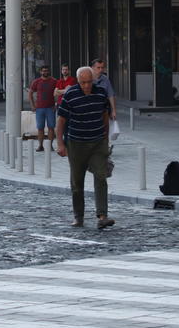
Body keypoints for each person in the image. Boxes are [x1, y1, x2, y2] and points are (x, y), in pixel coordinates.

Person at [56, 66, 115, 230]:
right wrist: (60, 144)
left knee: (101, 176)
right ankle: (78, 216)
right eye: (83, 83)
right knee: (77, 182)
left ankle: (102, 215)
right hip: (76, 143)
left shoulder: (101, 92)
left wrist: (105, 138)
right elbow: (60, 121)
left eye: (89, 82)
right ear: (78, 81)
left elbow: (105, 115)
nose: (87, 86)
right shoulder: (70, 95)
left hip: (97, 142)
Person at [28, 65, 57, 152]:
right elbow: (30, 93)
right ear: (40, 72)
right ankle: (40, 146)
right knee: (40, 128)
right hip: (39, 108)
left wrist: (56, 105)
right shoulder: (36, 82)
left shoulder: (54, 81)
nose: (45, 72)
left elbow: (58, 93)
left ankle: (50, 146)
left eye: (46, 71)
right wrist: (32, 105)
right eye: (43, 71)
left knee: (51, 127)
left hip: (50, 108)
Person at [91, 58, 117, 124]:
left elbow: (111, 95)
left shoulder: (105, 79)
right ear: (92, 68)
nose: (100, 70)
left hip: (102, 111)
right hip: (90, 110)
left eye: (102, 68)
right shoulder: (88, 78)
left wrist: (113, 110)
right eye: (98, 67)